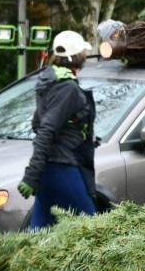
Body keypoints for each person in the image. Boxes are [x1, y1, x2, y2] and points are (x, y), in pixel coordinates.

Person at [18, 29, 97, 229]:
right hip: (63, 167)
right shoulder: (68, 88)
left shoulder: (48, 82)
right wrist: (31, 174)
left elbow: (37, 123)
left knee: (39, 235)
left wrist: (73, 132)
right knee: (93, 230)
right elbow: (46, 129)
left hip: (48, 169)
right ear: (79, 57)